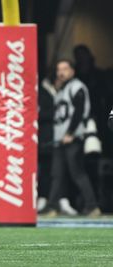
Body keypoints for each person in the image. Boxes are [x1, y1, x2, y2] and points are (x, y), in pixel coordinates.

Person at [41, 59, 101, 217]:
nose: (61, 72)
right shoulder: (62, 90)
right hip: (61, 139)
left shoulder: (77, 87)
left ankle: (92, 206)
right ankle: (52, 206)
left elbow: (79, 111)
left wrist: (70, 133)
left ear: (72, 71)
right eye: (59, 69)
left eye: (65, 69)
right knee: (57, 174)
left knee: (77, 173)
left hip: (72, 138)